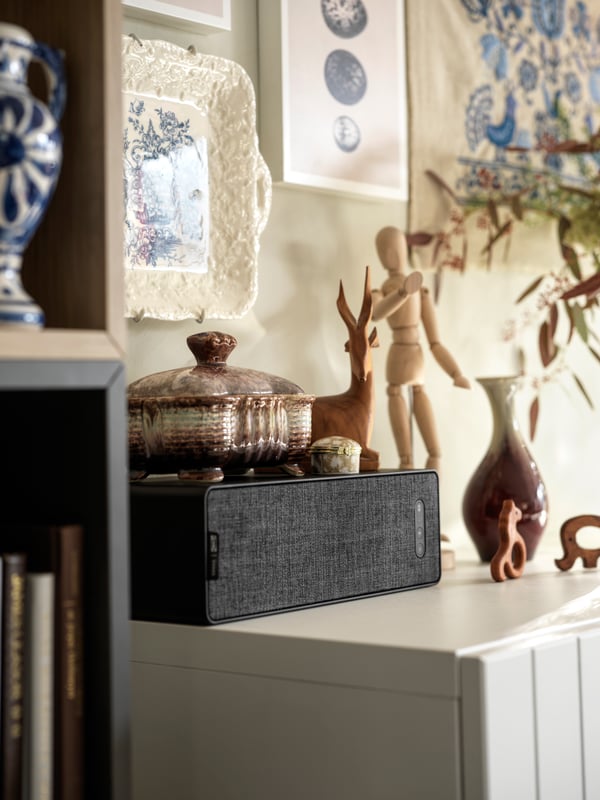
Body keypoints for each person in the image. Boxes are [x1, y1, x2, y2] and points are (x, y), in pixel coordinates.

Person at [372, 226, 470, 471]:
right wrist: (403, 292)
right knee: (395, 394)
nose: (393, 254)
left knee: (419, 396)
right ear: (381, 255)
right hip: (398, 354)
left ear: (405, 249)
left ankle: (434, 459)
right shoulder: (381, 291)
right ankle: (405, 462)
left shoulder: (420, 291)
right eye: (387, 250)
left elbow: (435, 342)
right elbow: (376, 313)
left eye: (397, 248)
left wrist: (455, 372)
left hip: (416, 355)